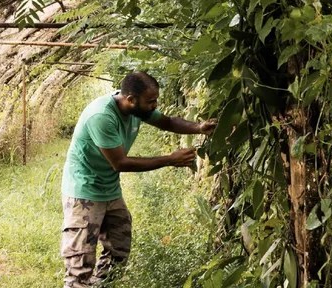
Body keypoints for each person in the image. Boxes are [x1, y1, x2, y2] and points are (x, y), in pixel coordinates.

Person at [60, 71, 217, 287]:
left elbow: (168, 122)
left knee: (119, 248)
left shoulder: (137, 109)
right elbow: (120, 163)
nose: (155, 106)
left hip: (109, 188)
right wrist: (170, 159)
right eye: (151, 101)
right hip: (84, 190)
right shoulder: (102, 116)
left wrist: (198, 127)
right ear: (131, 100)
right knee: (80, 260)